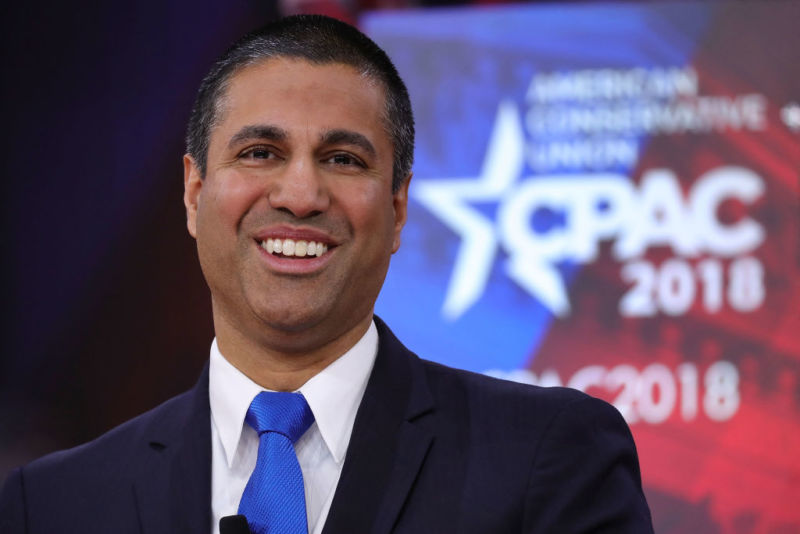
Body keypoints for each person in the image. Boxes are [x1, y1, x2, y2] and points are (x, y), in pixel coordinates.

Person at [0, 14, 653, 534]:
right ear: (194, 193)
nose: (301, 194)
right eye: (260, 152)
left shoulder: (554, 455)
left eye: (342, 158)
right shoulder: (52, 503)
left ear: (397, 209)